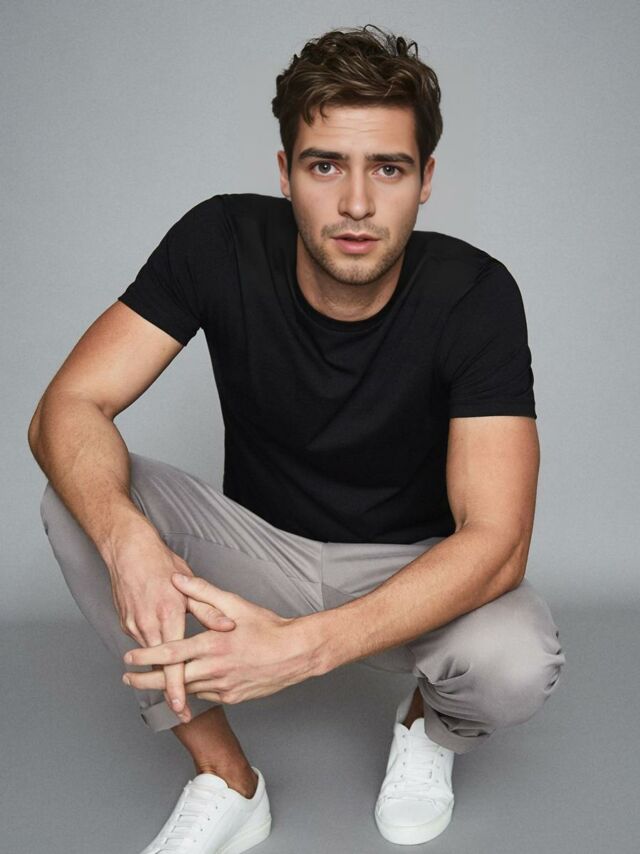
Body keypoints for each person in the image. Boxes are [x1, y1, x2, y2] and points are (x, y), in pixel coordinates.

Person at [28, 24, 566, 854]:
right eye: (325, 166)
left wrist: (303, 651)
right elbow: (67, 406)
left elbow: (499, 543)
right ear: (284, 173)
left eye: (387, 168)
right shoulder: (218, 240)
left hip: (410, 569)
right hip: (258, 552)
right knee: (79, 501)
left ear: (425, 180)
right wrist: (126, 536)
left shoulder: (476, 294)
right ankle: (226, 779)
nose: (356, 204)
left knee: (517, 658)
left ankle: (425, 728)